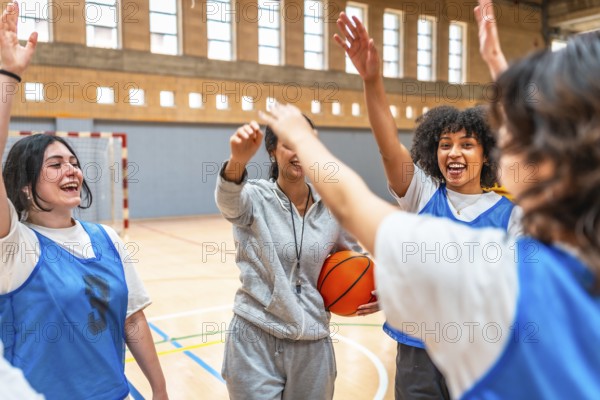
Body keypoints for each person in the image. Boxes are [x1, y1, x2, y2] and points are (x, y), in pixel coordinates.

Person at [259, 2, 600, 398]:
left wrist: (300, 136)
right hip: (421, 350)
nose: (504, 137)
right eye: (445, 143)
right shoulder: (565, 261)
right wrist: (496, 64)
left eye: (514, 132)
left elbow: (351, 204)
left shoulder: (497, 273)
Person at [334, 11, 521, 399]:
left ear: (486, 155)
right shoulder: (421, 193)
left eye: (467, 144)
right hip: (417, 353)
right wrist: (372, 82)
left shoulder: (511, 215)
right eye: (445, 144)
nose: (454, 152)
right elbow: (387, 145)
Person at [0, 3, 168, 399]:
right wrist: (8, 76)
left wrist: (159, 390)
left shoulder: (106, 238)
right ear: (25, 187)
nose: (72, 171)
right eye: (55, 165)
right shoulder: (14, 245)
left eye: (73, 163)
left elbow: (132, 320)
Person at [215, 118, 372, 399]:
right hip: (255, 340)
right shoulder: (254, 199)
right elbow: (228, 200)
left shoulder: (332, 207)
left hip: (312, 344)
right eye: (290, 145)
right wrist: (237, 160)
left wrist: (375, 290)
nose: (299, 153)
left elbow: (354, 260)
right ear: (273, 151)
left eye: (306, 144)